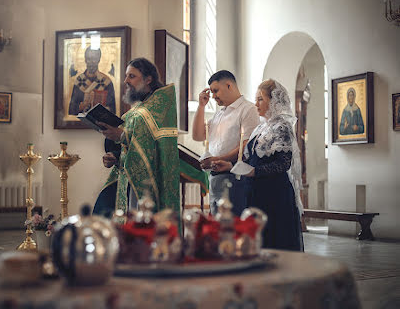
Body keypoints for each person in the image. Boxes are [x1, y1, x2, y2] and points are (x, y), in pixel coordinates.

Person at [212, 79, 304, 251]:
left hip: (274, 194)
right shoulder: (261, 128)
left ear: (274, 100)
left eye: (260, 99)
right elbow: (249, 159)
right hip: (255, 192)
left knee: (274, 242)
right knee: (257, 241)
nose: (256, 103)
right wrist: (228, 166)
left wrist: (255, 172)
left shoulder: (281, 126)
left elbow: (283, 164)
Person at [92, 57, 180, 216]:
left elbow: (151, 148)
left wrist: (122, 135)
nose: (126, 81)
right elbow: (130, 144)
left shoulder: (158, 107)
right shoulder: (138, 109)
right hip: (128, 178)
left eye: (132, 76)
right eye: (126, 76)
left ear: (148, 79)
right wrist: (115, 155)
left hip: (148, 184)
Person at [192, 70, 260, 215]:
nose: (213, 96)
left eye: (216, 91)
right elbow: (198, 135)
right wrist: (201, 106)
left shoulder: (248, 109)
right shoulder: (220, 113)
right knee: (217, 228)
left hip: (234, 176)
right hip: (215, 176)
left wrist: (217, 159)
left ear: (229, 85)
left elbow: (246, 147)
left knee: (231, 226)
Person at [68, 46, 116, 115]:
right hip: (80, 123)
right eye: (89, 59)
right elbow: (72, 109)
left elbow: (112, 109)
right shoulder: (79, 81)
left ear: (99, 60)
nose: (91, 62)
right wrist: (81, 106)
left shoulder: (106, 81)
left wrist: (103, 109)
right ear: (85, 60)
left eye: (94, 59)